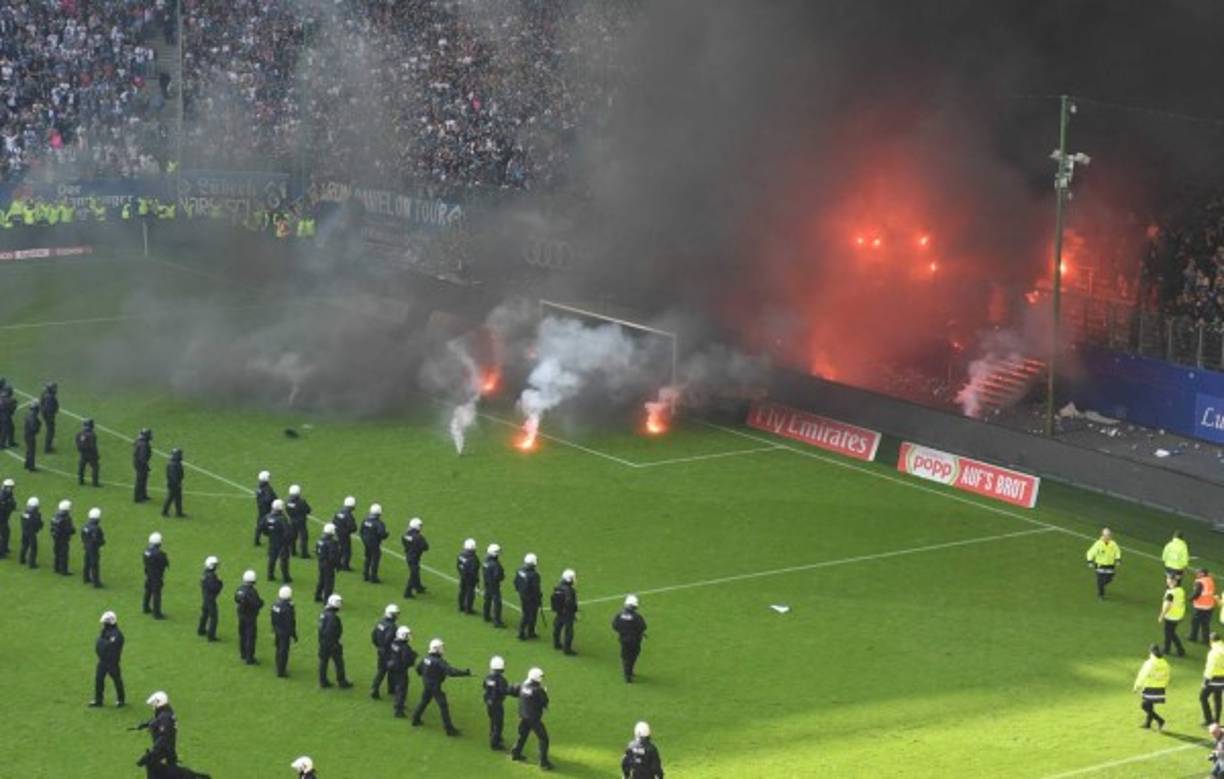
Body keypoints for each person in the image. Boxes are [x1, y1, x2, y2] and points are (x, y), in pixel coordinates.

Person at [411, 638, 471, 734]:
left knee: (424, 701)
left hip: (427, 684)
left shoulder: (425, 659)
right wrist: (465, 673)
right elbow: (451, 672)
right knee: (443, 705)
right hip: (435, 686)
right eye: (441, 647)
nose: (442, 649)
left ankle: (415, 719)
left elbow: (418, 670)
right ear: (436, 649)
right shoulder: (439, 662)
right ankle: (449, 729)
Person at [510, 667, 553, 769]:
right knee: (543, 738)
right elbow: (544, 702)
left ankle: (515, 753)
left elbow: (514, 691)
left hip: (523, 716)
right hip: (534, 719)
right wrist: (545, 693)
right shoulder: (538, 690)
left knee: (522, 735)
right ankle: (543, 762)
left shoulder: (523, 685)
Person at [135, 691, 179, 777]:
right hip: (166, 752)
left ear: (159, 702)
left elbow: (164, 737)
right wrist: (145, 724)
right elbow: (157, 720)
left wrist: (153, 752)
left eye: (154, 703)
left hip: (163, 754)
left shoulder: (165, 717)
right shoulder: (166, 713)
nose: (153, 706)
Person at [90, 611, 126, 708]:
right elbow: (100, 643)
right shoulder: (105, 631)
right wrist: (104, 642)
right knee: (99, 680)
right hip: (102, 661)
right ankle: (98, 700)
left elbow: (109, 646)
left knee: (117, 680)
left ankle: (121, 700)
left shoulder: (117, 634)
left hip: (112, 662)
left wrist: (104, 642)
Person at [484, 655, 520, 751]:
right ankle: (495, 743)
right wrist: (514, 689)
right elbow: (504, 690)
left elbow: (484, 686)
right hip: (497, 704)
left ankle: (493, 735)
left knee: (492, 721)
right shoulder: (501, 679)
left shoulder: (488, 677)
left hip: (489, 703)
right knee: (498, 724)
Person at [318, 593, 352, 688]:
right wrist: (334, 644)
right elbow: (330, 632)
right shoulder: (333, 617)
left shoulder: (324, 613)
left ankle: (323, 681)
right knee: (339, 662)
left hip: (323, 641)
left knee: (323, 661)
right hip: (331, 643)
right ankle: (341, 681)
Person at [613, 595, 648, 683]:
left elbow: (615, 625)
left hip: (624, 639)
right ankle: (628, 674)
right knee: (633, 656)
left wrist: (623, 631)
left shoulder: (619, 615)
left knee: (625, 657)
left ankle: (627, 673)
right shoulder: (637, 617)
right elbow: (643, 627)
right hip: (635, 640)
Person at [387, 625, 418, 718]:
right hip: (401, 670)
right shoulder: (405, 647)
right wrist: (413, 656)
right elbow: (406, 661)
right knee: (402, 690)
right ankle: (398, 710)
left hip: (393, 667)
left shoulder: (394, 643)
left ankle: (397, 702)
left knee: (397, 686)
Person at [370, 603, 400, 699]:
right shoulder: (392, 626)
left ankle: (376, 688)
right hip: (389, 652)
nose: (397, 616)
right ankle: (389, 689)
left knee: (382, 671)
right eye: (396, 614)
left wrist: (379, 646)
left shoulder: (380, 622)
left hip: (381, 650)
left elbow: (373, 635)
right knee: (390, 670)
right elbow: (389, 639)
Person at [235, 570, 264, 665]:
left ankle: (243, 654)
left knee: (242, 635)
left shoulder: (240, 589)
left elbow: (236, 599)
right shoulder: (252, 591)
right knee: (250, 637)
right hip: (250, 617)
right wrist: (261, 602)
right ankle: (249, 658)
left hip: (241, 615)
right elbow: (257, 603)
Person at [1085, 528, 1121, 599]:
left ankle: (1102, 586)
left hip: (1110, 566)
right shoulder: (1098, 544)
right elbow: (1090, 552)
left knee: (1108, 579)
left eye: (1108, 535)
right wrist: (1089, 561)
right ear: (1102, 535)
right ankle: (1101, 595)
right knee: (1100, 582)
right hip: (1100, 566)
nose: (1107, 537)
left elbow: (1117, 551)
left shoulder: (1113, 544)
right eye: (1106, 535)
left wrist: (1118, 559)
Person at [262, 499, 292, 583]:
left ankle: (270, 575)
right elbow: (288, 532)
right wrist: (287, 542)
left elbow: (262, 527)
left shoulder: (267, 516)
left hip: (272, 540)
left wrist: (268, 534)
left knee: (272, 558)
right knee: (284, 560)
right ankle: (285, 577)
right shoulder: (282, 519)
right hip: (282, 542)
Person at [271, 585, 298, 678]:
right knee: (283, 651)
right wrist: (294, 634)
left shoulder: (275, 604)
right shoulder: (288, 608)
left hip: (277, 630)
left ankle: (278, 666)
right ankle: (281, 671)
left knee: (278, 649)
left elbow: (272, 618)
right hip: (284, 633)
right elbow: (290, 622)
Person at [551, 569, 578, 655]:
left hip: (559, 611)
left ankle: (556, 643)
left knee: (557, 627)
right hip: (567, 613)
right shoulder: (570, 590)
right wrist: (574, 612)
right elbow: (570, 603)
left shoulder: (558, 586)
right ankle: (567, 649)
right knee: (569, 631)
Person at [516, 553, 542, 641]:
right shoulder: (534, 575)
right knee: (530, 614)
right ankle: (525, 632)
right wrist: (538, 597)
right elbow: (536, 589)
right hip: (531, 598)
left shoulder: (520, 570)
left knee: (526, 614)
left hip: (523, 595)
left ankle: (525, 631)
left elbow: (516, 582)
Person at [1160, 573, 1188, 657]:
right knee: (1171, 633)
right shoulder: (1180, 590)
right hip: (1178, 615)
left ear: (1173, 581)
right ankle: (1176, 650)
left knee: (1169, 633)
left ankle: (1169, 649)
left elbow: (1167, 605)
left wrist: (1162, 615)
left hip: (1171, 616)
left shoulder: (1170, 593)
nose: (1167, 580)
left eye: (1168, 579)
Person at [143, 533, 169, 619]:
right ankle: (157, 613)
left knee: (148, 591)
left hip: (149, 574)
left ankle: (145, 607)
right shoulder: (160, 554)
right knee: (157, 594)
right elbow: (165, 564)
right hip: (157, 576)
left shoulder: (146, 551)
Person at [402, 517, 429, 597]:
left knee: (416, 570)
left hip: (409, 555)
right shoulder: (419, 537)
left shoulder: (405, 534)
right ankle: (407, 592)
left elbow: (404, 542)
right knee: (414, 573)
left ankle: (418, 587)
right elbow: (426, 547)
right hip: (415, 557)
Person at [361, 504, 388, 583]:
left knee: (367, 558)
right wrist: (386, 534)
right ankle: (373, 577)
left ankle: (365, 575)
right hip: (375, 544)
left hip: (366, 542)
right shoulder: (379, 523)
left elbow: (361, 531)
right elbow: (382, 534)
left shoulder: (365, 520)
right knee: (375, 559)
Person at [198, 556, 222, 641]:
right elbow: (214, 588)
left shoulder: (205, 573)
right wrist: (220, 583)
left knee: (204, 614)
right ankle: (211, 636)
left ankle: (201, 630)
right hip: (210, 599)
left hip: (205, 597)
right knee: (214, 617)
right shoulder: (212, 576)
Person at [285, 485, 313, 559]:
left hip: (292, 520)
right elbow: (308, 510)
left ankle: (292, 551)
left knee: (293, 536)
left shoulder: (287, 501)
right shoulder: (301, 502)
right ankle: (304, 554)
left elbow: (287, 510)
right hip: (301, 521)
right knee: (303, 537)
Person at [314, 523, 340, 603]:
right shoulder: (332, 542)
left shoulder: (320, 540)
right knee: (329, 583)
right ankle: (327, 599)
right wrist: (337, 565)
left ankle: (317, 596)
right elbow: (332, 556)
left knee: (321, 579)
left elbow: (316, 551)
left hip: (321, 562)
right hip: (328, 565)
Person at [50, 498, 76, 575]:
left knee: (57, 552)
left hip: (55, 537)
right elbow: (69, 530)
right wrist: (73, 530)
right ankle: (64, 571)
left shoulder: (55, 516)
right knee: (64, 554)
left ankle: (56, 568)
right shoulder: (66, 518)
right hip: (63, 539)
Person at [81, 508, 105, 587]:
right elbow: (97, 539)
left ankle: (86, 577)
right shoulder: (96, 528)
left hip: (87, 546)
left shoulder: (85, 525)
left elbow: (82, 536)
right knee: (94, 564)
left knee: (87, 563)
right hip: (94, 549)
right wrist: (101, 542)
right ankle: (96, 582)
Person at [1192, 569, 1218, 644]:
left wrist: (1190, 599)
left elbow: (1196, 593)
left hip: (1200, 606)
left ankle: (1193, 637)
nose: (1196, 574)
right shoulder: (1210, 580)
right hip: (1209, 606)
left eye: (1198, 573)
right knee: (1205, 624)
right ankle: (1205, 640)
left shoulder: (1199, 582)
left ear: (1202, 574)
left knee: (1195, 623)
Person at [1203, 633, 1224, 725]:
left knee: (1202, 697)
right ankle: (1216, 720)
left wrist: (1205, 681)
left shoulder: (1213, 652)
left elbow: (1210, 668)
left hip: (1214, 678)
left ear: (1211, 641)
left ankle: (1209, 720)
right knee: (1217, 698)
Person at [484, 543, 506, 627]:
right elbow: (499, 576)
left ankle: (486, 616)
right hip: (494, 585)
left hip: (487, 583)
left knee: (487, 600)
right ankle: (497, 621)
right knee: (497, 603)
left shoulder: (485, 561)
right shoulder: (495, 564)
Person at [332, 496, 357, 571]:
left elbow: (334, 522)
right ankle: (345, 566)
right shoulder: (349, 515)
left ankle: (337, 564)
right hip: (345, 536)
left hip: (337, 534)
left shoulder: (338, 512)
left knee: (339, 549)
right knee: (346, 551)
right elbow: (353, 528)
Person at [75, 418, 100, 487]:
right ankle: (95, 483)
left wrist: (80, 450)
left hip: (83, 453)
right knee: (95, 467)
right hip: (91, 454)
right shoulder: (92, 435)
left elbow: (77, 443)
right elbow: (93, 446)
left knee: (81, 467)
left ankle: (80, 481)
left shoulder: (79, 434)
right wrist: (96, 455)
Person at [457, 538, 479, 614]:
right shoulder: (473, 558)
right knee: (470, 593)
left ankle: (461, 606)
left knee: (462, 591)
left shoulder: (461, 554)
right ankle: (468, 609)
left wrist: (461, 573)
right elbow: (474, 571)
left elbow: (458, 565)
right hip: (470, 579)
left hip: (462, 576)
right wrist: (476, 580)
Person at [254, 470, 276, 546]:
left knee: (259, 525)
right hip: (267, 510)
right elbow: (269, 498)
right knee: (271, 526)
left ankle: (256, 541)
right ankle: (272, 542)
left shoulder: (259, 486)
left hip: (260, 508)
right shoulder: (268, 488)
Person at [161, 448, 184, 517]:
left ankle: (179, 512)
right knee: (170, 498)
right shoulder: (173, 464)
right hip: (174, 484)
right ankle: (164, 512)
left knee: (178, 498)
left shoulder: (175, 462)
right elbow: (173, 476)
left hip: (175, 483)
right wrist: (177, 483)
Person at [19, 496, 41, 567]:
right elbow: (37, 524)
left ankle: (21, 559)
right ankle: (32, 563)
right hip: (31, 533)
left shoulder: (24, 513)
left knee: (24, 545)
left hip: (24, 531)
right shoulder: (35, 514)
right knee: (33, 547)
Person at [133, 429, 152, 503]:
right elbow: (142, 457)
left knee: (143, 480)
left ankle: (143, 495)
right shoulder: (144, 444)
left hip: (139, 463)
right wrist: (146, 466)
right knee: (140, 481)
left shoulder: (140, 441)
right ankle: (138, 498)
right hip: (141, 464)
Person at [39, 382, 58, 453]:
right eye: (54, 388)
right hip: (49, 416)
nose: (55, 390)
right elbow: (49, 409)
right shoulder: (50, 398)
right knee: (50, 432)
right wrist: (51, 417)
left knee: (50, 431)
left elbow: (41, 403)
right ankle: (47, 448)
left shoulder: (45, 394)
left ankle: (48, 447)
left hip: (46, 415)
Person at [23, 401, 40, 471]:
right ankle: (31, 467)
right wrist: (37, 427)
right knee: (31, 451)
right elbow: (33, 427)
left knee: (29, 450)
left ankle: (27, 464)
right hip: (30, 435)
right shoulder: (33, 416)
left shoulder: (29, 414)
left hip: (27, 434)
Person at [0, 477, 14, 557]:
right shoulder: (2, 497)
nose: (12, 489)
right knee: (3, 535)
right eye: (10, 487)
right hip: (1, 519)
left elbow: (12, 503)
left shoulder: (8, 494)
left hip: (4, 519)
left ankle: (4, 548)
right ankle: (1, 553)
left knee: (6, 533)